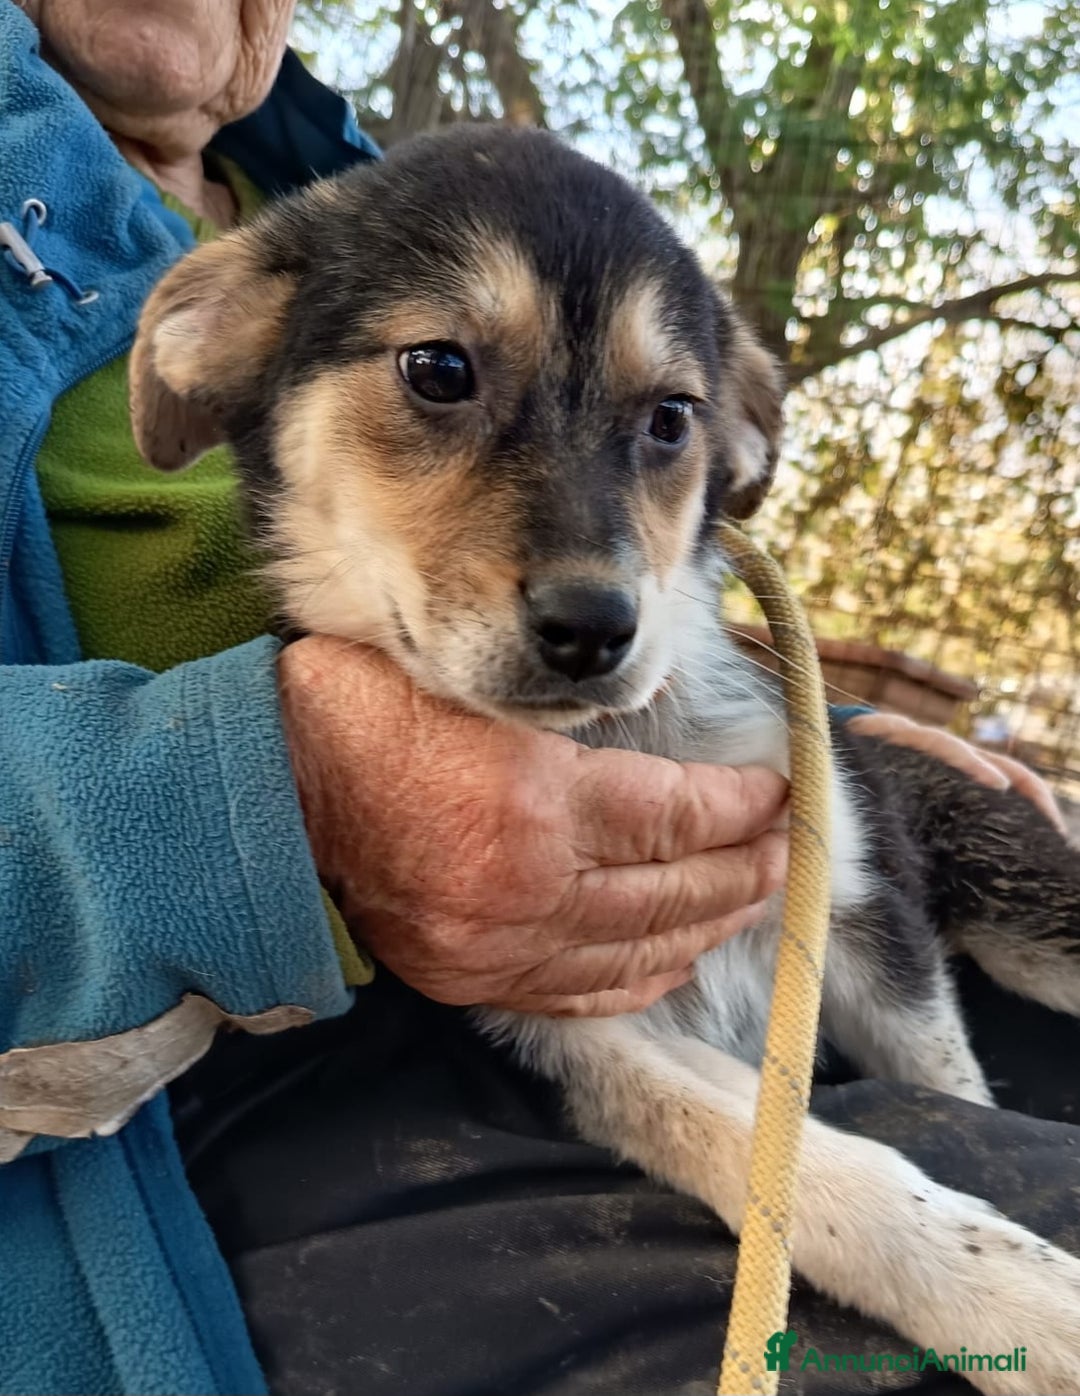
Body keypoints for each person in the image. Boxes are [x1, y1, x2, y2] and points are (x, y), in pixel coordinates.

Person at [0, 3, 1073, 1393]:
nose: (581, 563)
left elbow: (671, 593)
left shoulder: (364, 179)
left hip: (664, 975)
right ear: (205, 350)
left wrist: (820, 728)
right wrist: (279, 793)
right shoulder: (297, 266)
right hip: (219, 1147)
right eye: (442, 376)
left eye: (667, 423)